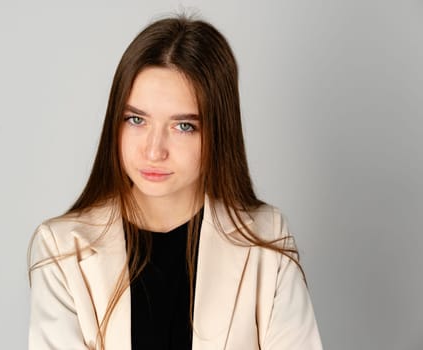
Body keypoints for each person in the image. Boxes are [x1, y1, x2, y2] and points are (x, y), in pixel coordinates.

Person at [27, 15, 323, 350]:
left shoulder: (266, 239)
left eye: (183, 126)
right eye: (136, 119)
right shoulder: (62, 249)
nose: (154, 151)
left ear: (218, 132)